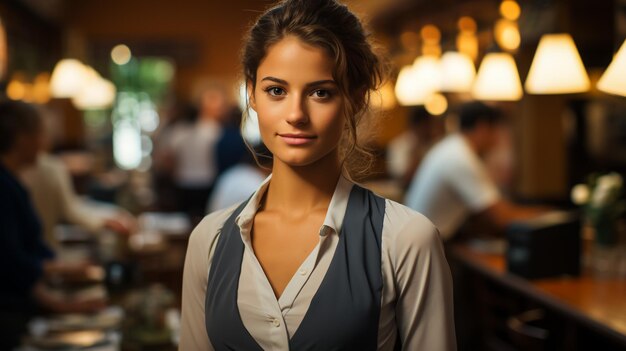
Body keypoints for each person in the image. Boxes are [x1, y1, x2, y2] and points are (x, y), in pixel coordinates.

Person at [180, 1, 456, 350]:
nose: (296, 114)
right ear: (252, 93)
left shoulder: (407, 239)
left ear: (354, 100)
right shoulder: (208, 239)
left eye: (320, 92)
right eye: (276, 90)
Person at [0, 101, 104, 349]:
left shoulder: (10, 181)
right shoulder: (3, 186)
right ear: (22, 138)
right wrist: (64, 304)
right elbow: (10, 263)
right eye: (40, 134)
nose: (44, 142)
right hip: (7, 316)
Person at [405, 101, 544, 241]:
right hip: (423, 244)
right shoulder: (461, 157)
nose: (498, 139)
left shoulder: (452, 146)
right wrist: (546, 215)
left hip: (419, 239)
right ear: (482, 127)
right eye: (497, 132)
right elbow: (501, 218)